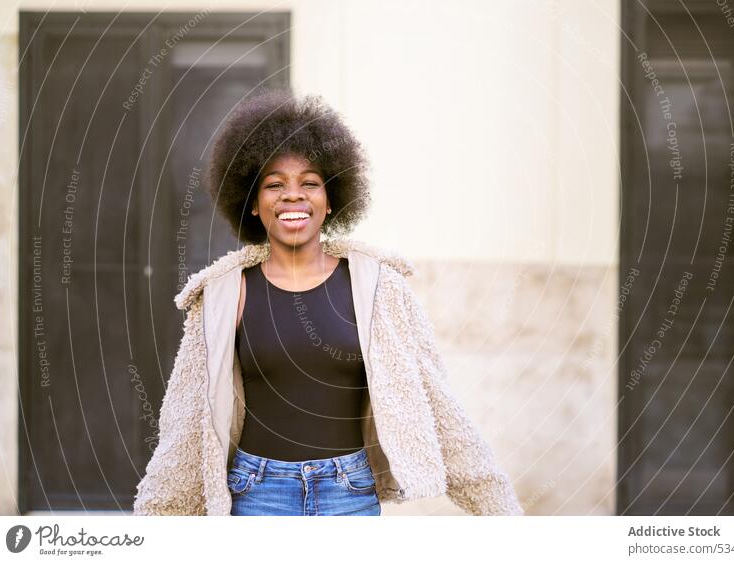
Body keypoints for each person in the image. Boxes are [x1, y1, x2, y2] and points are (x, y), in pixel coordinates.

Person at [133, 88, 523, 516]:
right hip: (257, 494)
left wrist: (501, 514)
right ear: (253, 205)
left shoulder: (379, 288)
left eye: (310, 183)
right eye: (275, 185)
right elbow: (185, 424)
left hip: (349, 493)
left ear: (331, 198)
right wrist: (154, 526)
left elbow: (440, 405)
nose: (293, 196)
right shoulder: (225, 294)